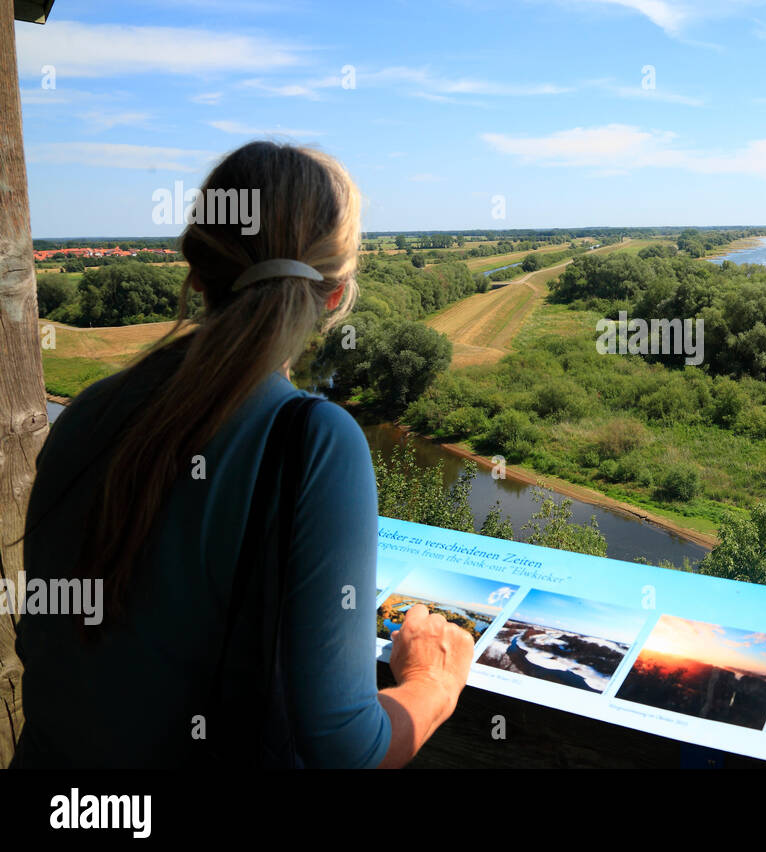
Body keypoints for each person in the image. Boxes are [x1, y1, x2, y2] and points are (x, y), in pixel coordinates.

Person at [12, 141, 472, 768]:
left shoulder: (88, 412)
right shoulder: (313, 439)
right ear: (335, 296)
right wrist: (433, 682)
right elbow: (344, 749)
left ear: (197, 274)